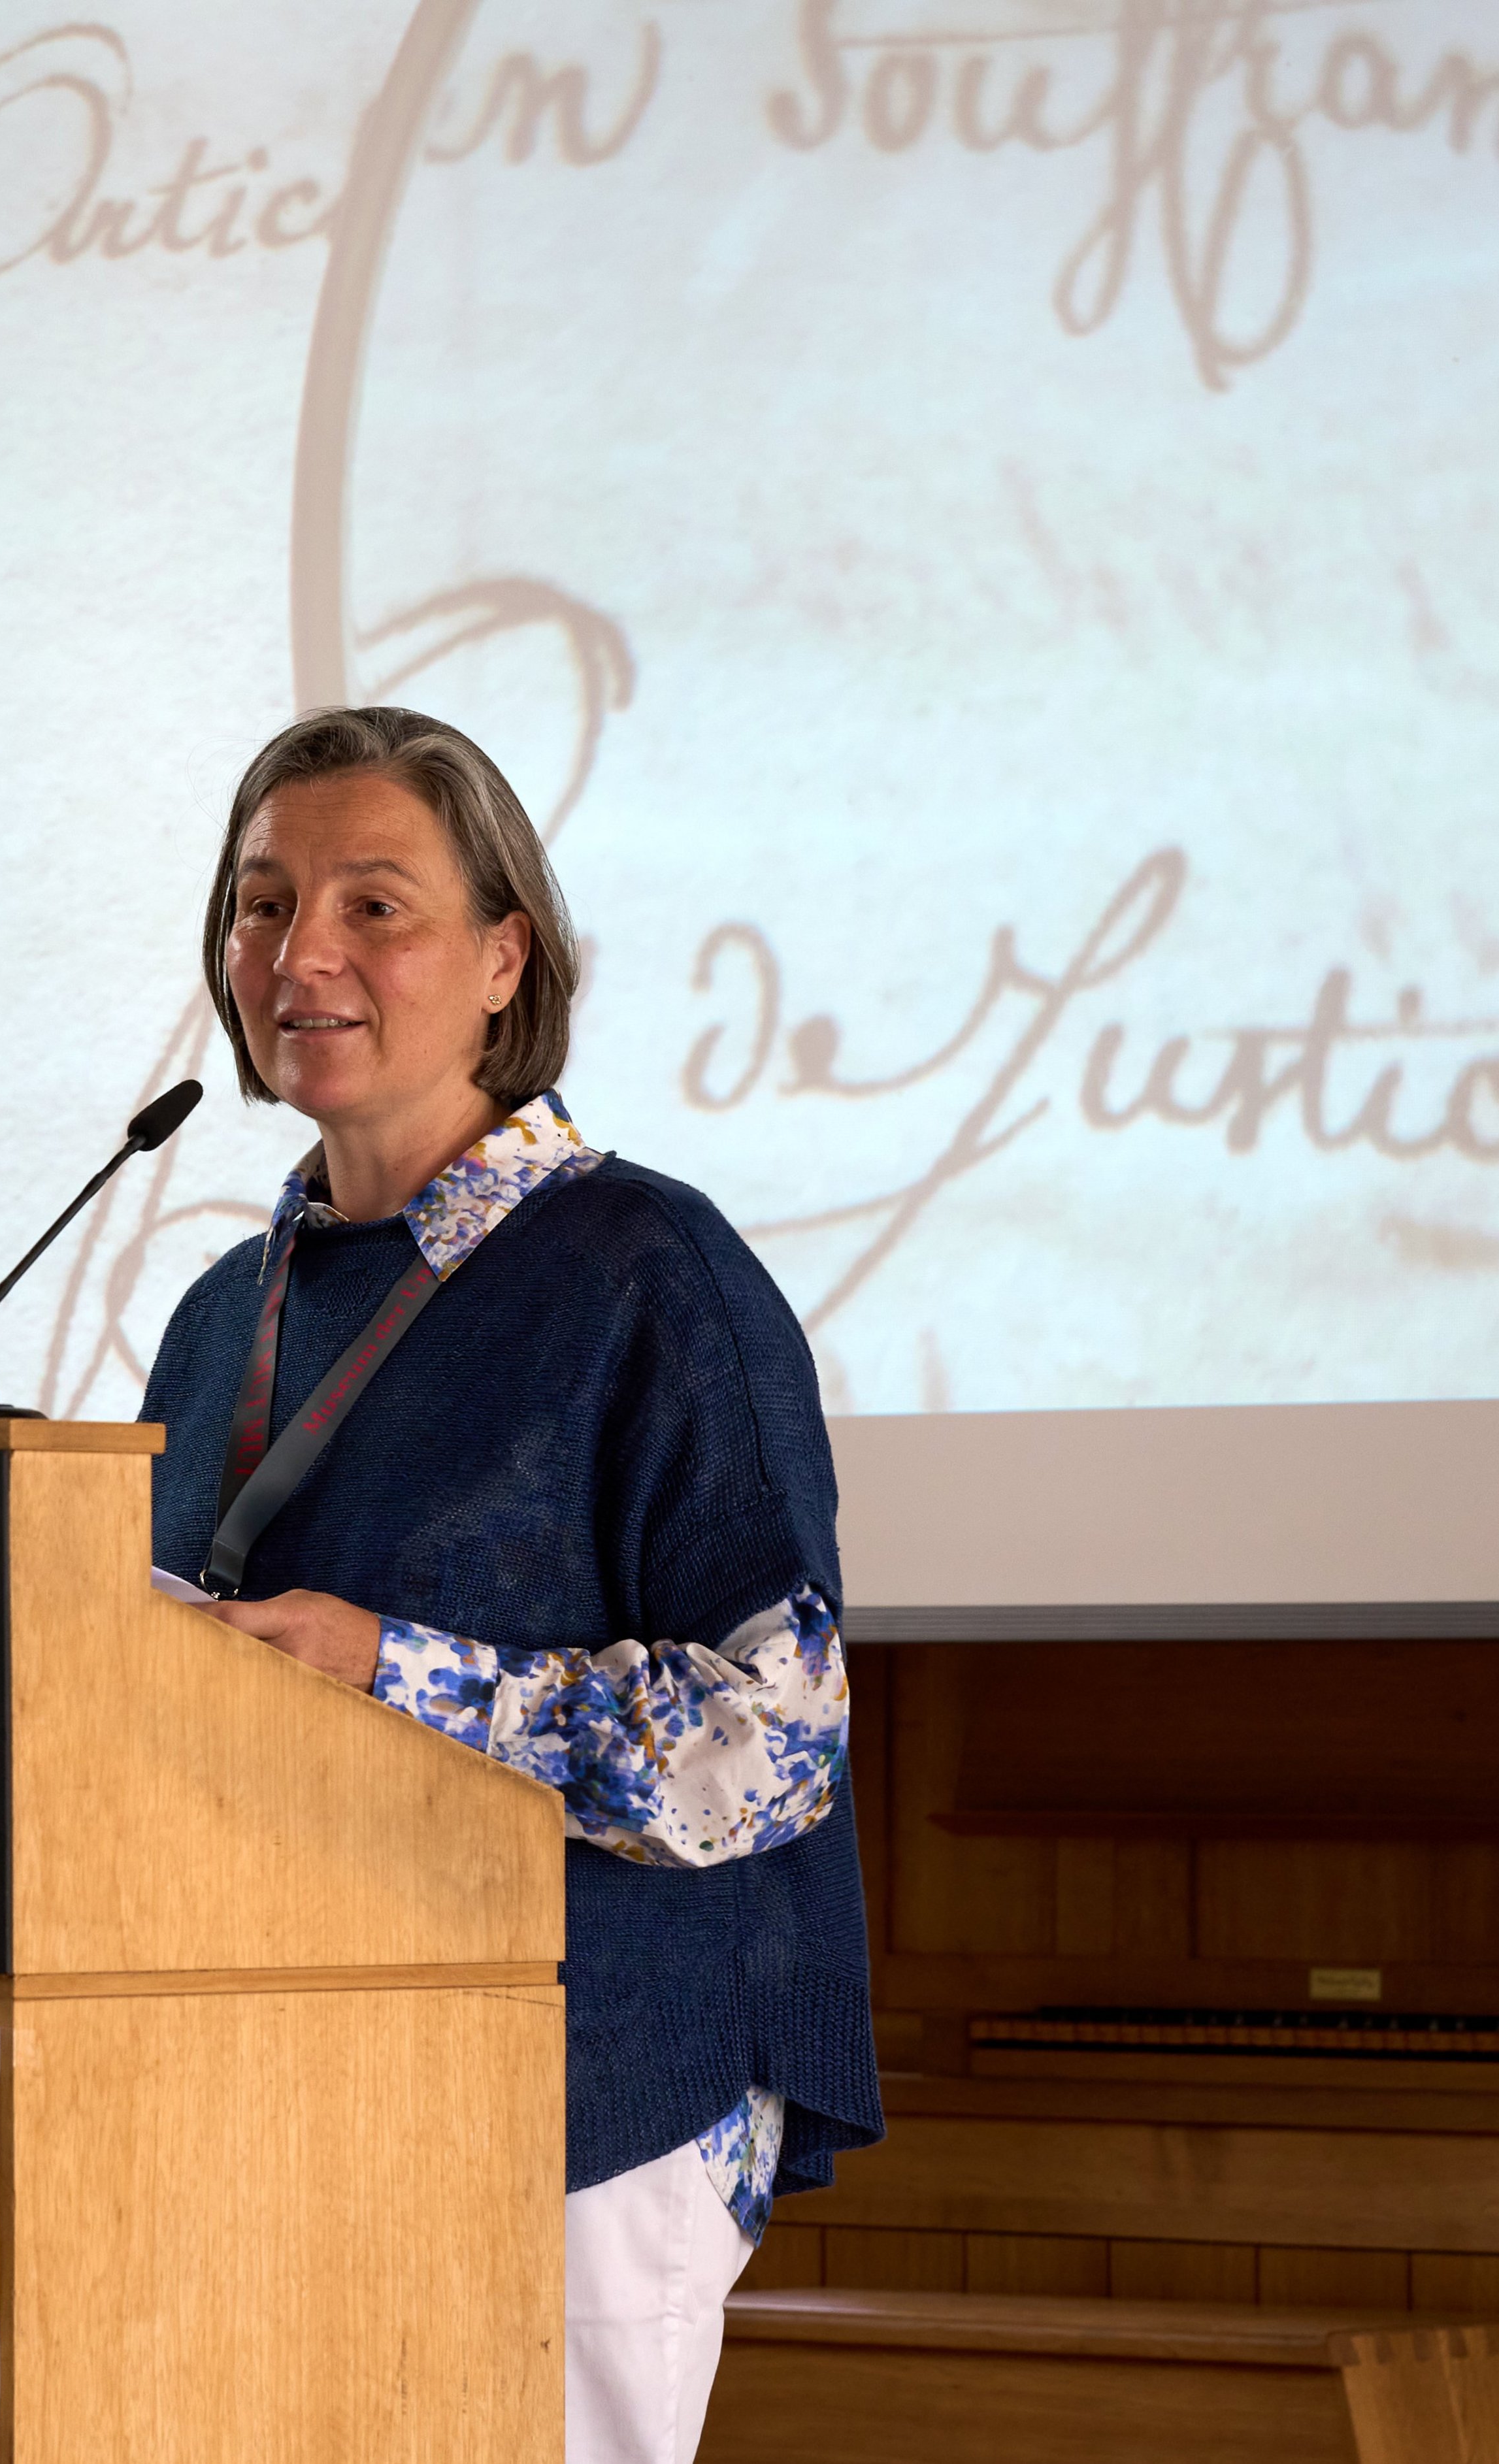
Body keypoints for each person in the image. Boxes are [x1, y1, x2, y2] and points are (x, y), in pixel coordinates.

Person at [142, 705, 882, 2464]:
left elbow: (774, 1740)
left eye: (371, 905)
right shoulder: (218, 1313)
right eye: (261, 904)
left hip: (577, 2104)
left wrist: (387, 1671)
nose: (299, 950)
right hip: (266, 2107)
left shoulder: (648, 1274)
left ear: (501, 958)